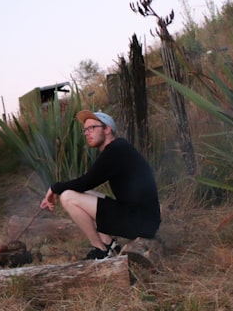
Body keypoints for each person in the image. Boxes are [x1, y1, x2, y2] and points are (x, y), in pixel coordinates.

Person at [39, 110, 161, 260]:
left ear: (107, 129)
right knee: (85, 194)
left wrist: (54, 188)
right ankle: (108, 244)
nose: (87, 133)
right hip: (142, 218)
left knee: (68, 197)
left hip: (141, 222)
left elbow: (85, 182)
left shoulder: (116, 150)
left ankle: (101, 250)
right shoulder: (119, 148)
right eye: (85, 130)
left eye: (92, 128)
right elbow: (86, 185)